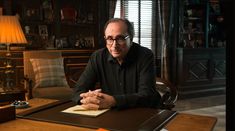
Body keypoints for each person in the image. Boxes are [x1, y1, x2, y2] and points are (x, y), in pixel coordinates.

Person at [72, 18, 161, 110]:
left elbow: (147, 96)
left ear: (131, 38)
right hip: (112, 112)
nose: (114, 45)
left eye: (120, 38)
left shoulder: (145, 55)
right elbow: (78, 90)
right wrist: (87, 99)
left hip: (144, 112)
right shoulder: (97, 57)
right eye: (110, 39)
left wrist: (113, 101)